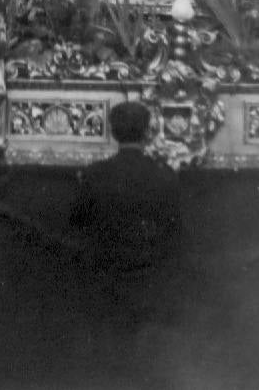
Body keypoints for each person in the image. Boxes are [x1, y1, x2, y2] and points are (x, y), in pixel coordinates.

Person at [72, 101, 182, 387]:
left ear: (113, 131)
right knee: (147, 354)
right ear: (148, 132)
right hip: (150, 277)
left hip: (106, 275)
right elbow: (175, 228)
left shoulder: (95, 175)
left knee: (111, 352)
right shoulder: (164, 175)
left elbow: (77, 219)